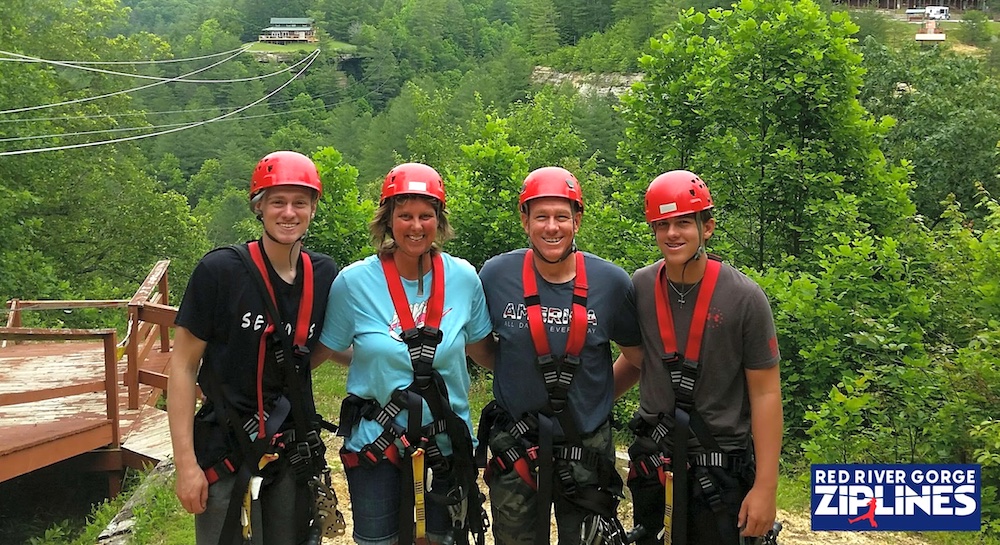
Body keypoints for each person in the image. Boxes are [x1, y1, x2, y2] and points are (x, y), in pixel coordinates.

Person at [312, 162, 493, 545]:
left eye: (426, 215)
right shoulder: (355, 282)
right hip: (378, 442)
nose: (415, 225)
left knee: (445, 539)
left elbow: (483, 352)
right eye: (405, 215)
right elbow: (323, 350)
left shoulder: (463, 278)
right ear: (387, 220)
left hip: (446, 443)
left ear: (439, 220)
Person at [167, 150, 342, 545]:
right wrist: (186, 466)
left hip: (291, 447)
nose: (288, 213)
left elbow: (323, 348)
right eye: (277, 201)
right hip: (224, 446)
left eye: (300, 202)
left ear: (313, 208)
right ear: (258, 207)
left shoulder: (324, 275)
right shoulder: (221, 272)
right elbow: (182, 366)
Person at [476, 166, 645, 545]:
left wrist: (596, 397)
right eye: (541, 217)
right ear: (525, 221)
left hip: (585, 447)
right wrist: (514, 376)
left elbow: (636, 359)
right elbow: (480, 345)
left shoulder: (611, 283)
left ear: (577, 220)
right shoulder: (496, 275)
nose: (551, 227)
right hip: (516, 443)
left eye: (562, 217)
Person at [612, 170, 783, 545]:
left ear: (707, 227)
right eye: (663, 224)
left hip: (720, 470)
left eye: (684, 223)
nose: (672, 233)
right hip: (657, 465)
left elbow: (766, 393)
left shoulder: (744, 298)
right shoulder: (640, 285)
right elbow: (642, 361)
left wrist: (766, 488)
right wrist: (584, 404)